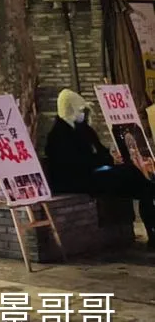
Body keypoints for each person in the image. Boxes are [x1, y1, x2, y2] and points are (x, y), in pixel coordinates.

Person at [45, 89, 155, 247]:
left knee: (137, 177)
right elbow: (76, 163)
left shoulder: (84, 129)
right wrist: (104, 161)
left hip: (94, 172)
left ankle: (151, 229)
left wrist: (111, 157)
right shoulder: (58, 135)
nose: (83, 114)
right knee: (130, 178)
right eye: (81, 110)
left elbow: (100, 151)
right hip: (77, 180)